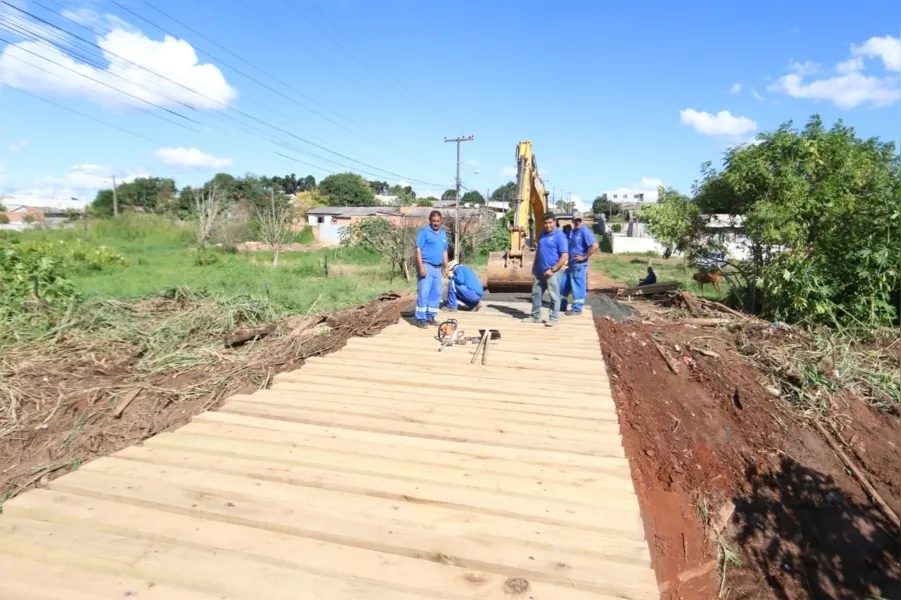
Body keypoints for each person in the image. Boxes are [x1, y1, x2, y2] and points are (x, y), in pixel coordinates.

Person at [523, 211, 568, 327]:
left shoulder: (560, 236)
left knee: (554, 296)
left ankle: (553, 318)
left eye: (550, 223)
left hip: (552, 272)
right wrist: (534, 265)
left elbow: (564, 256)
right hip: (539, 271)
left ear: (555, 222)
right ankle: (535, 316)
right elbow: (539, 251)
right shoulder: (542, 233)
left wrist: (553, 270)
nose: (548, 225)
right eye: (546, 223)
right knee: (536, 294)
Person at [414, 210, 449, 328]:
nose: (436, 223)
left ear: (441, 221)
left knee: (436, 293)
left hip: (437, 268)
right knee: (424, 293)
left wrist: (446, 266)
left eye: (438, 221)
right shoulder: (424, 233)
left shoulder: (443, 234)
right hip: (427, 266)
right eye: (434, 221)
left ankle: (431, 316)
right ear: (430, 221)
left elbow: (444, 251)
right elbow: (418, 250)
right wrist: (421, 267)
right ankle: (421, 318)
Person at [560, 210, 599, 315]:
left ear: (582, 220)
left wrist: (584, 256)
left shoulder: (584, 232)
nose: (577, 222)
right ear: (572, 220)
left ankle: (577, 309)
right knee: (563, 284)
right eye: (575, 220)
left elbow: (594, 246)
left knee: (578, 285)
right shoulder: (573, 232)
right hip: (571, 265)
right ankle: (561, 304)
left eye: (579, 220)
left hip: (579, 265)